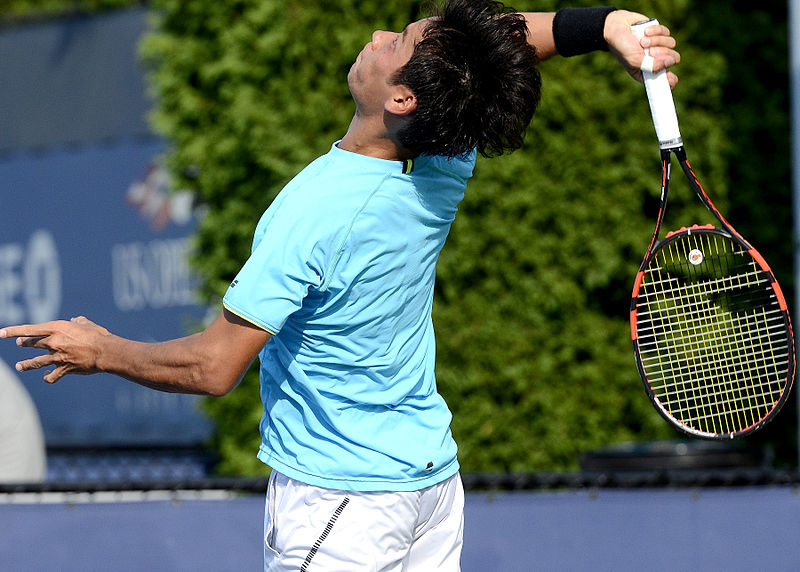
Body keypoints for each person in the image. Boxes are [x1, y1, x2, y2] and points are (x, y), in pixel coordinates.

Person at [1, 1, 680, 569]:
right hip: (432, 491)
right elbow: (494, 48)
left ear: (402, 97)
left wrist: (102, 349)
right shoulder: (442, 159)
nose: (384, 34)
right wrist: (606, 25)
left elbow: (213, 368)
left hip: (343, 506)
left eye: (401, 42)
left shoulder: (312, 210)